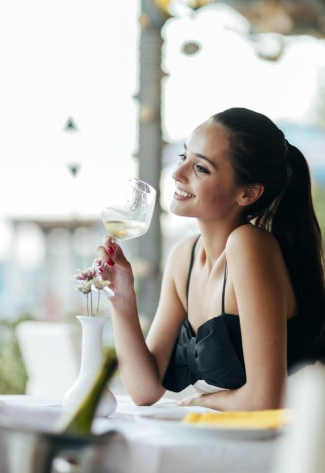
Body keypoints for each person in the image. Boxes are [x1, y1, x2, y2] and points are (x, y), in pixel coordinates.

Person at [96, 107, 325, 411]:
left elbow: (264, 399)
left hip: (278, 446)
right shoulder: (184, 257)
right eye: (184, 158)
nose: (177, 174)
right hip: (231, 437)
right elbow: (144, 389)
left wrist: (202, 402)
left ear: (248, 194)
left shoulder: (249, 245)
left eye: (201, 168)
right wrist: (122, 297)